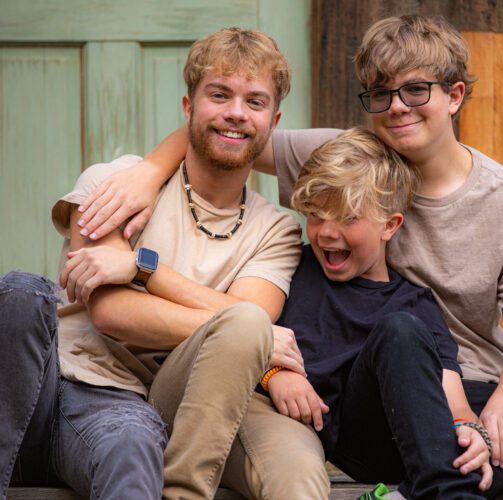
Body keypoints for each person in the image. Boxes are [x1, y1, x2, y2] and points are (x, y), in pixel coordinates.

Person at [73, 14, 503, 498]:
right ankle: (448, 486)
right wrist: (147, 174)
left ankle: (437, 485)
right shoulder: (340, 160)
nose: (397, 108)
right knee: (398, 334)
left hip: (468, 392)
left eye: (417, 91)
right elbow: (225, 131)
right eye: (381, 94)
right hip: (362, 398)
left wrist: (498, 414)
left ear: (455, 95)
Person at [0, 27, 304, 500]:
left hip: (125, 405)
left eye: (255, 101)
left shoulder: (277, 231)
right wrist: (239, 327)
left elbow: (247, 329)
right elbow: (112, 312)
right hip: (48, 381)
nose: (236, 113)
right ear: (189, 109)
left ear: (273, 120)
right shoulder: (118, 184)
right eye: (219, 95)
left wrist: (142, 269)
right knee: (19, 290)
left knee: (133, 443)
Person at [270, 126, 493, 499]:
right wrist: (274, 372)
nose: (325, 232)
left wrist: (471, 430)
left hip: (423, 431)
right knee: (399, 331)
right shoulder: (291, 266)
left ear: (390, 225)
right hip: (357, 437)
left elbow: (451, 398)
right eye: (316, 215)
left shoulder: (416, 302)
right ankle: (448, 488)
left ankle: (421, 487)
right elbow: (246, 327)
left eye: (347, 218)